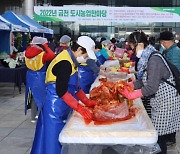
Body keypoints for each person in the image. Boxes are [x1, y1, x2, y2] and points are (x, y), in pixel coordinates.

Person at [30, 36, 99, 154]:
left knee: (59, 139)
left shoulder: (72, 60)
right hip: (54, 107)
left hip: (62, 104)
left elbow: (75, 88)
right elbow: (61, 91)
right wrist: (79, 107)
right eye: (86, 55)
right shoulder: (65, 62)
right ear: (80, 50)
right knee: (53, 141)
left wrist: (87, 102)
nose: (86, 58)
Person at [119, 32, 180, 154]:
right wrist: (131, 85)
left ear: (140, 45)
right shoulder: (150, 56)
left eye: (133, 47)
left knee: (158, 135)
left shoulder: (154, 59)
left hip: (166, 102)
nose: (132, 51)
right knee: (156, 134)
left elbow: (151, 87)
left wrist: (132, 95)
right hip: (160, 99)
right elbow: (146, 79)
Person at [25, 36, 55, 122]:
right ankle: (40, 114)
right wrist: (46, 46)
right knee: (42, 95)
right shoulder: (42, 54)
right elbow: (52, 55)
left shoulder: (26, 52)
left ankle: (33, 116)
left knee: (33, 96)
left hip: (30, 76)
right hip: (40, 76)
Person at [158, 31, 180, 146]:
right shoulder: (169, 50)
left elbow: (174, 70)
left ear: (164, 42)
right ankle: (169, 137)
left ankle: (171, 138)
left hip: (174, 84)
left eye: (162, 42)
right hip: (172, 84)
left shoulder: (175, 52)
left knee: (172, 112)